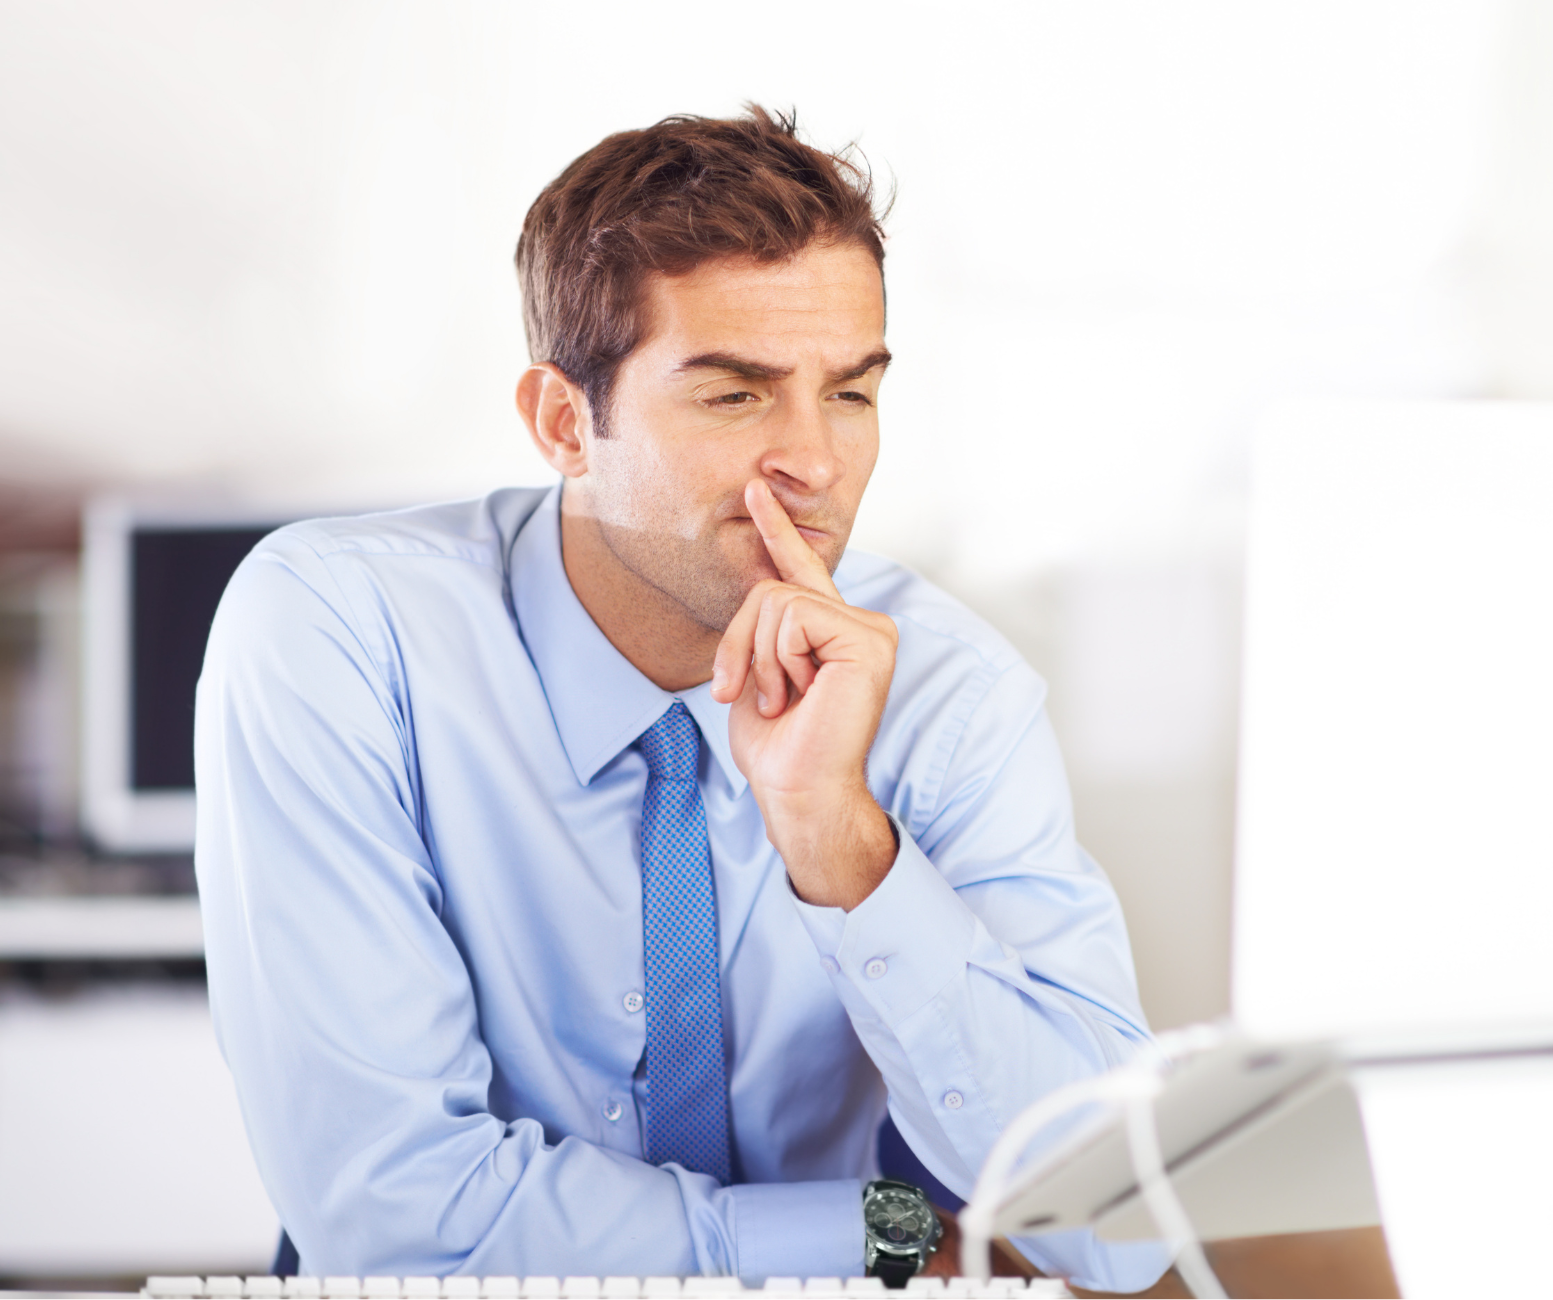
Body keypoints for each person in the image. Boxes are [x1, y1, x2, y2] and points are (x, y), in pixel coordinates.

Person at [196, 107, 1165, 1291]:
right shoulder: (339, 632)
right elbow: (397, 1213)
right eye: (736, 396)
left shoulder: (950, 692)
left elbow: (1114, 1224)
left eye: (850, 394)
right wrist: (862, 1237)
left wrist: (840, 840)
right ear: (565, 423)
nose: (813, 462)